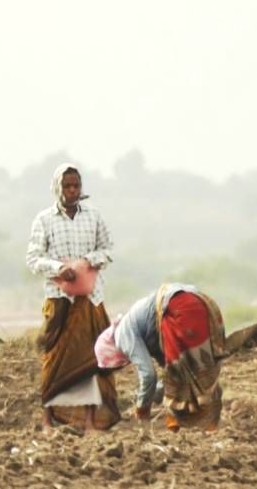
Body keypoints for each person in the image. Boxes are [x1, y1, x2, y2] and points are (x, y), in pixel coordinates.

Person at [26, 163, 120, 432]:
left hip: (90, 299)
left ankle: (90, 420)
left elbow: (108, 249)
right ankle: (48, 418)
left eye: (76, 185)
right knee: (54, 358)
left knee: (92, 358)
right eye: (67, 186)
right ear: (58, 188)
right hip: (58, 298)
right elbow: (33, 258)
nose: (72, 190)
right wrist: (59, 269)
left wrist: (87, 262)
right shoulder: (44, 219)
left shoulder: (94, 216)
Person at [95, 284, 227, 431]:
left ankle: (184, 423)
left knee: (182, 371)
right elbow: (165, 372)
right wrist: (155, 396)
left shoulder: (122, 336)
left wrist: (142, 410)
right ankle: (209, 424)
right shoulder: (147, 332)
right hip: (202, 302)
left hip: (178, 307)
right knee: (198, 366)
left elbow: (148, 375)